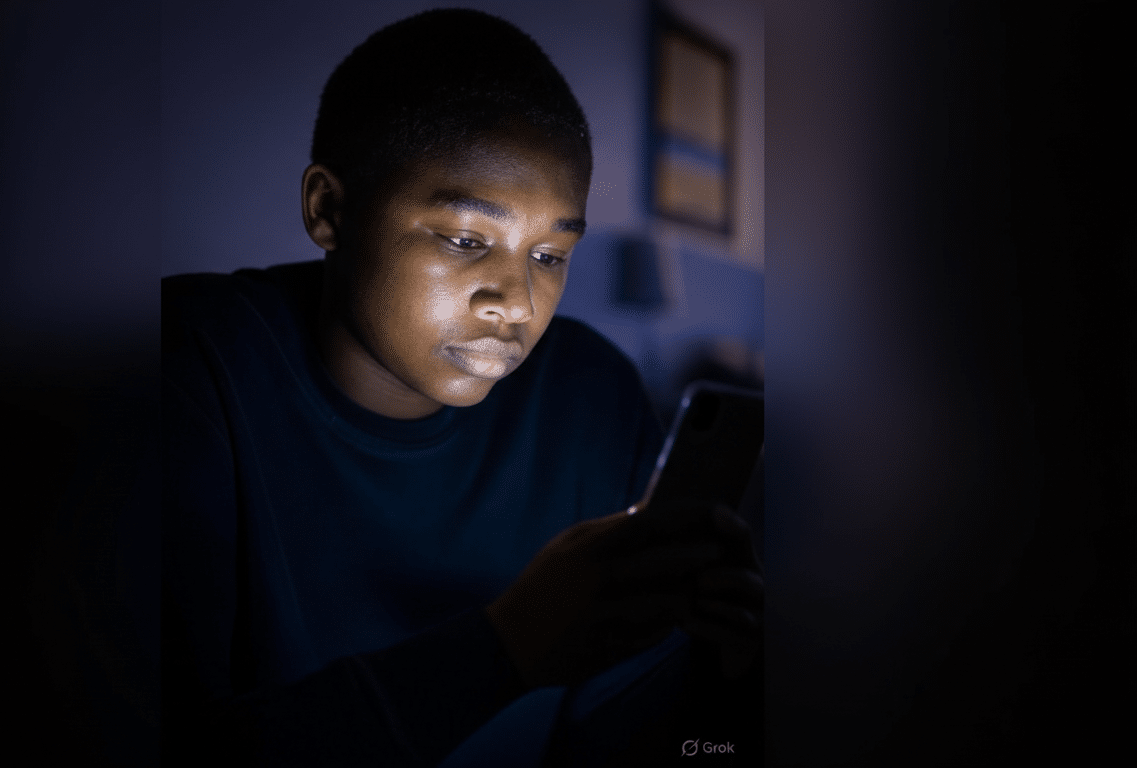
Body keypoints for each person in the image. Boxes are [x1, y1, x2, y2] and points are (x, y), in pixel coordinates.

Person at [161, 9, 763, 765]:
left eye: (549, 255)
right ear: (329, 210)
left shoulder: (592, 394)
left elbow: (652, 738)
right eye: (466, 240)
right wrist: (506, 648)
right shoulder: (190, 366)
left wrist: (726, 677)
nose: (515, 301)